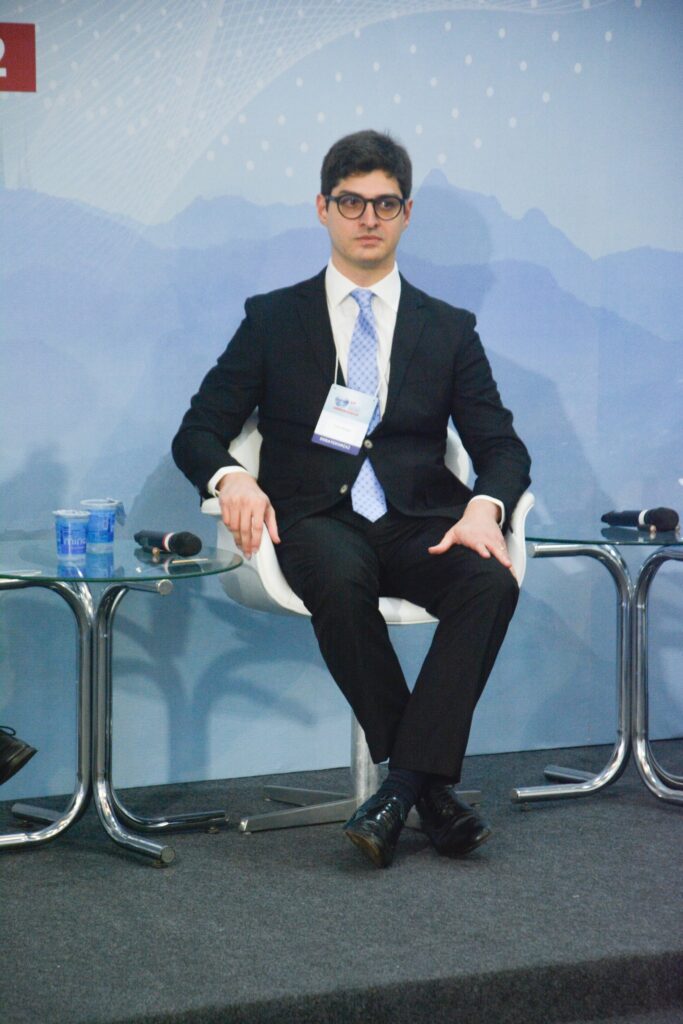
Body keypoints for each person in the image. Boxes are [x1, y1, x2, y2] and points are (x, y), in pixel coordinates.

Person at [173, 130, 531, 868]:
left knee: (490, 582)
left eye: (385, 204)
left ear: (406, 214)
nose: (368, 218)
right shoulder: (273, 319)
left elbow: (502, 447)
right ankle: (427, 792)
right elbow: (198, 431)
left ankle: (400, 788)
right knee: (339, 575)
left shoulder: (448, 328)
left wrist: (484, 506)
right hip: (315, 519)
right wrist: (232, 478)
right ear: (323, 209)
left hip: (418, 521)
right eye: (351, 202)